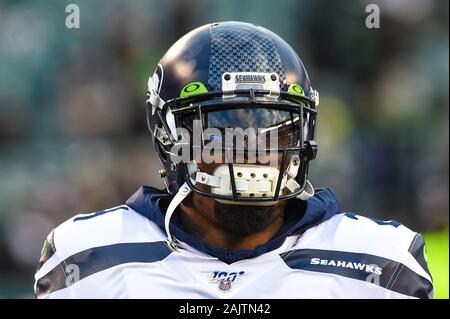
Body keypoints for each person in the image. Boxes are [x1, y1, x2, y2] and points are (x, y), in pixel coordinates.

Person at [34, 21, 433, 299]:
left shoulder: (381, 263)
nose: (253, 153)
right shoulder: (87, 256)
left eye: (275, 129)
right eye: (221, 131)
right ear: (169, 137)